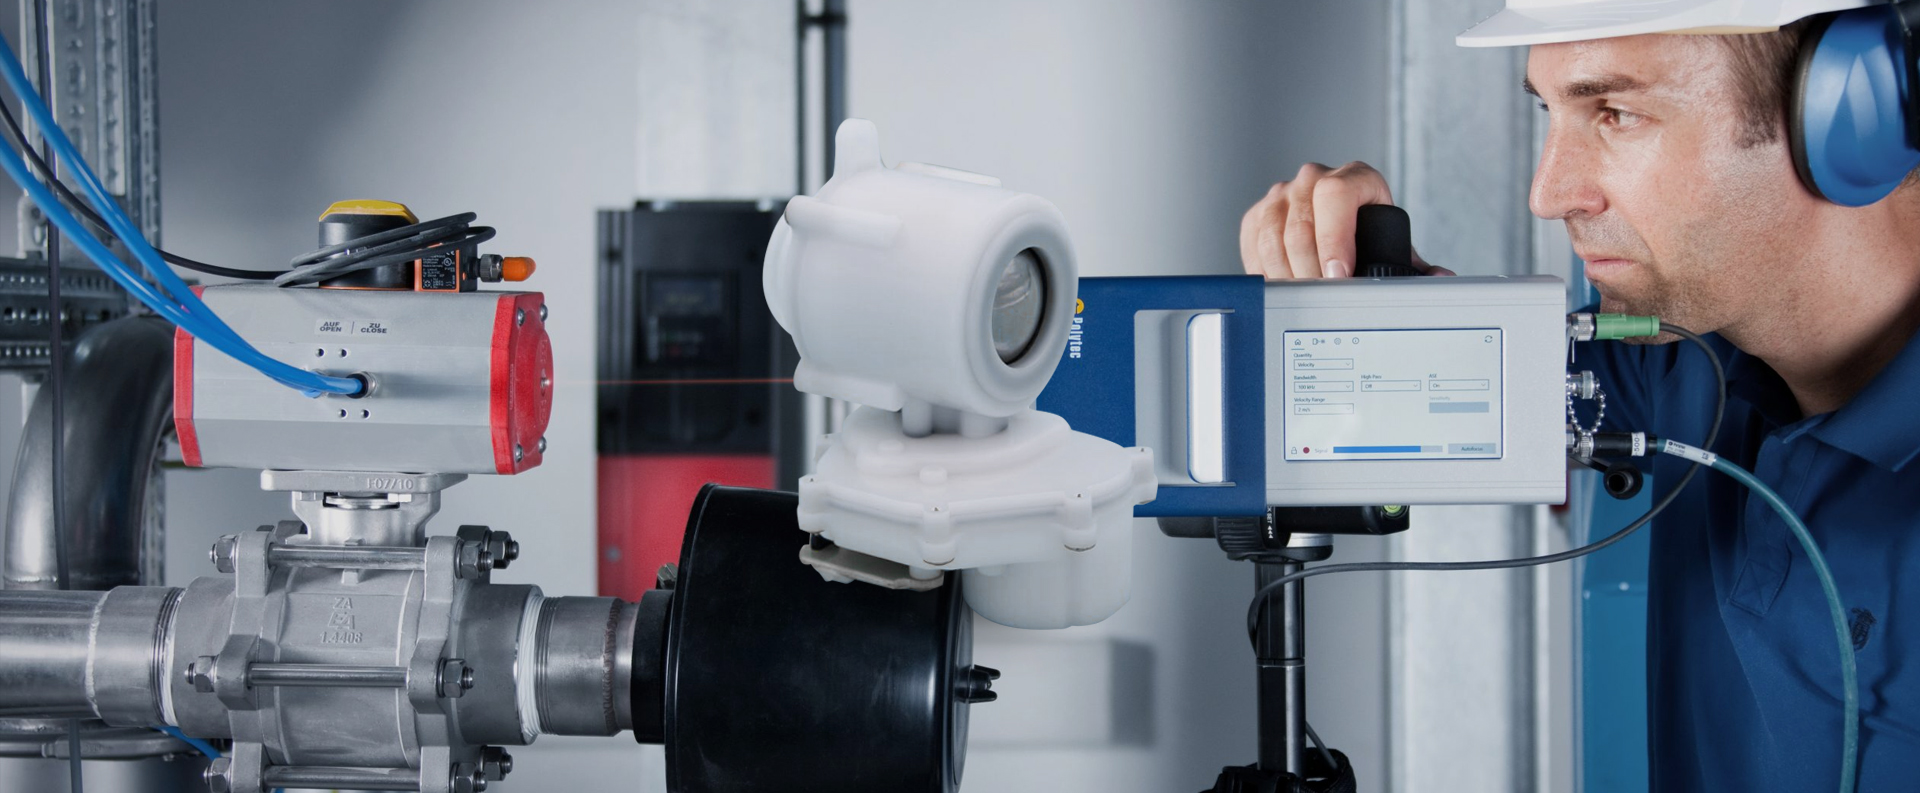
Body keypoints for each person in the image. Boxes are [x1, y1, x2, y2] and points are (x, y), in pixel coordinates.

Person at [1240, 1, 1920, 790]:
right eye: (1548, 110)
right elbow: (1426, 388)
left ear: (1854, 111)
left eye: (1616, 113)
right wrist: (1342, 267)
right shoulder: (1684, 357)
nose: (1549, 192)